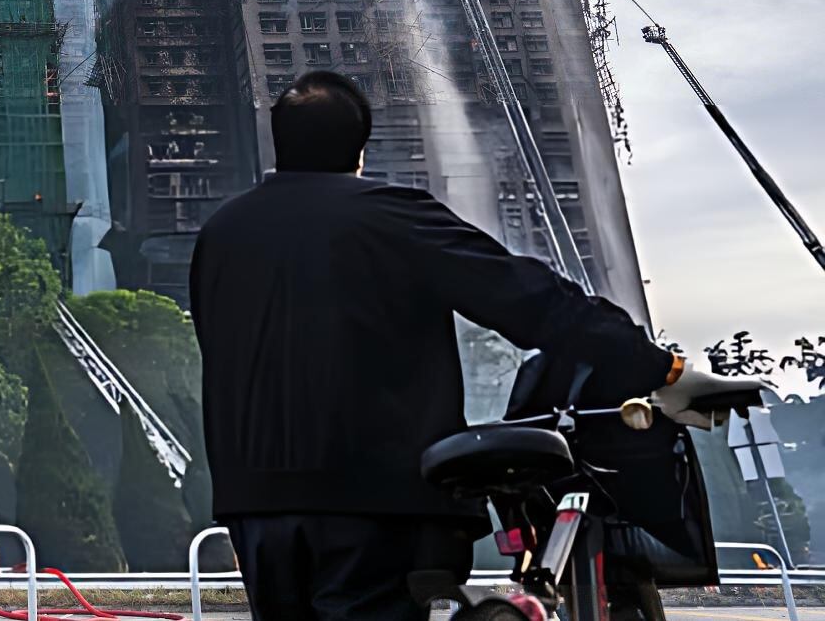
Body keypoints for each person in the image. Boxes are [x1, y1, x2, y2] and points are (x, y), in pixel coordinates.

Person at [189, 71, 746, 621]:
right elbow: (528, 299)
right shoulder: (388, 214)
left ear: (279, 143)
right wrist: (663, 369)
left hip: (256, 506)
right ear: (359, 152)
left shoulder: (220, 234)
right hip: (376, 502)